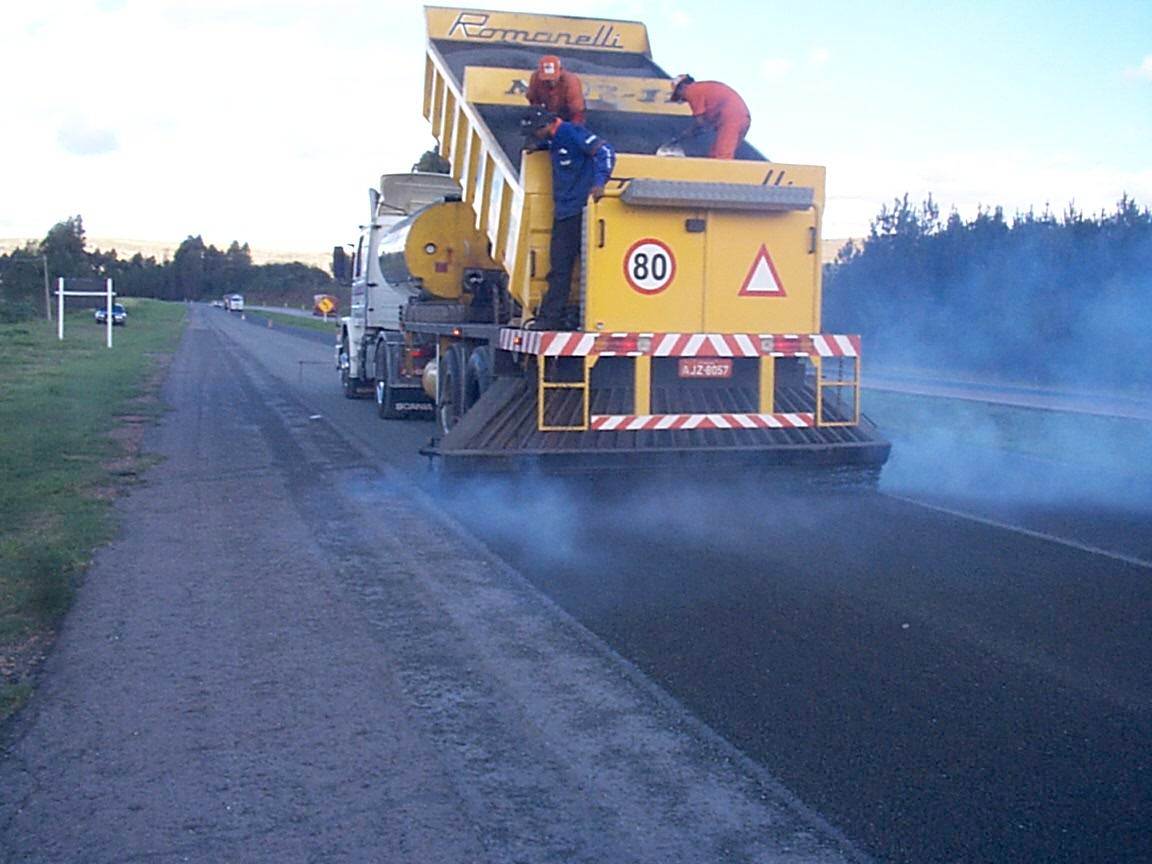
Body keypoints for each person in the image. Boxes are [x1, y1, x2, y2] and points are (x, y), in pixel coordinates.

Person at [522, 109, 614, 330]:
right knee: (559, 269)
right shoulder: (554, 139)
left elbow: (606, 151)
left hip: (582, 213)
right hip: (564, 213)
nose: (536, 136)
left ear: (548, 124)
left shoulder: (571, 132)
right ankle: (552, 318)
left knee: (591, 268)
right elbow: (560, 150)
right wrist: (540, 147)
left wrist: (600, 182)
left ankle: (600, 317)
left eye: (537, 132)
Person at [667, 74, 751, 159]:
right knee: (715, 154)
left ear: (682, 87)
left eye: (679, 95)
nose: (683, 99)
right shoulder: (703, 89)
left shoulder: (691, 91)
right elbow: (705, 121)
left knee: (722, 156)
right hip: (742, 118)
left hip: (732, 118)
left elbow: (700, 122)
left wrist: (688, 133)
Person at [525, 54, 587, 125]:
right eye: (546, 79)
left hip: (568, 115)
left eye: (553, 78)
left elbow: (577, 111)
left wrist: (573, 128)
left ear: (560, 71)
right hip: (547, 113)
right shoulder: (535, 78)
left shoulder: (571, 81)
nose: (550, 82)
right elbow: (533, 100)